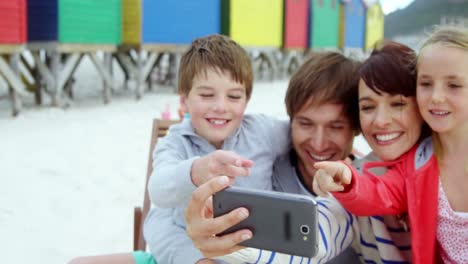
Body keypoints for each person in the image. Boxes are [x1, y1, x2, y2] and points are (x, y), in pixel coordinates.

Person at [185, 42, 428, 263]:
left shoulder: (360, 179)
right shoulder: (266, 172)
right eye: (306, 124)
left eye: (335, 126)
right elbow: (315, 235)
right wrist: (218, 247)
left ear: (355, 127)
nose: (319, 143)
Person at [69, 33, 290, 264]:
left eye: (234, 96)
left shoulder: (263, 132)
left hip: (249, 256)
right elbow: (158, 189)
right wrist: (196, 171)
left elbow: (303, 135)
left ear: (247, 101)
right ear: (184, 101)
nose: (220, 106)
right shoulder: (175, 142)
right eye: (206, 95)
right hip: (182, 254)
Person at [312, 26, 468, 264]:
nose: (436, 96)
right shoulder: (417, 161)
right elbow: (378, 193)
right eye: (426, 84)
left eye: (454, 85)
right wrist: (348, 180)